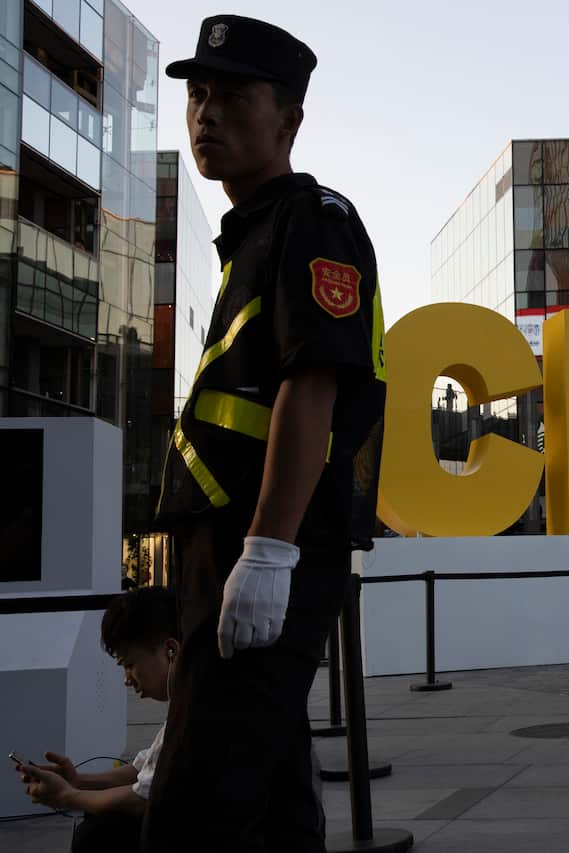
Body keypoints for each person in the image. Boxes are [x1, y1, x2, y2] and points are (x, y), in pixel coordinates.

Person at [148, 15, 386, 852]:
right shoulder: (253, 234)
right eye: (197, 96)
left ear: (287, 120)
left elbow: (311, 386)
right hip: (232, 548)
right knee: (274, 807)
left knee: (191, 813)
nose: (206, 113)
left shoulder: (311, 222)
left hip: (266, 547)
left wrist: (268, 551)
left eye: (234, 96)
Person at [15, 588, 180, 853]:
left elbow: (146, 797)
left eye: (129, 664)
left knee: (100, 834)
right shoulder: (184, 705)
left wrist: (69, 796)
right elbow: (145, 769)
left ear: (170, 649)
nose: (127, 679)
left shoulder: (197, 711)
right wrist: (78, 781)